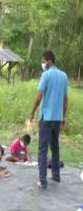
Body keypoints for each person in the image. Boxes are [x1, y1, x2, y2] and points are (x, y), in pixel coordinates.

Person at [30, 51, 68, 189]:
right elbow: (65, 99)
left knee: (42, 150)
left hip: (46, 118)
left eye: (44, 61)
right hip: (57, 118)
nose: (43, 64)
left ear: (50, 61)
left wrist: (32, 113)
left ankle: (42, 180)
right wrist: (63, 116)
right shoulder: (64, 76)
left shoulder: (46, 75)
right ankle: (56, 175)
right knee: (55, 147)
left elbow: (39, 96)